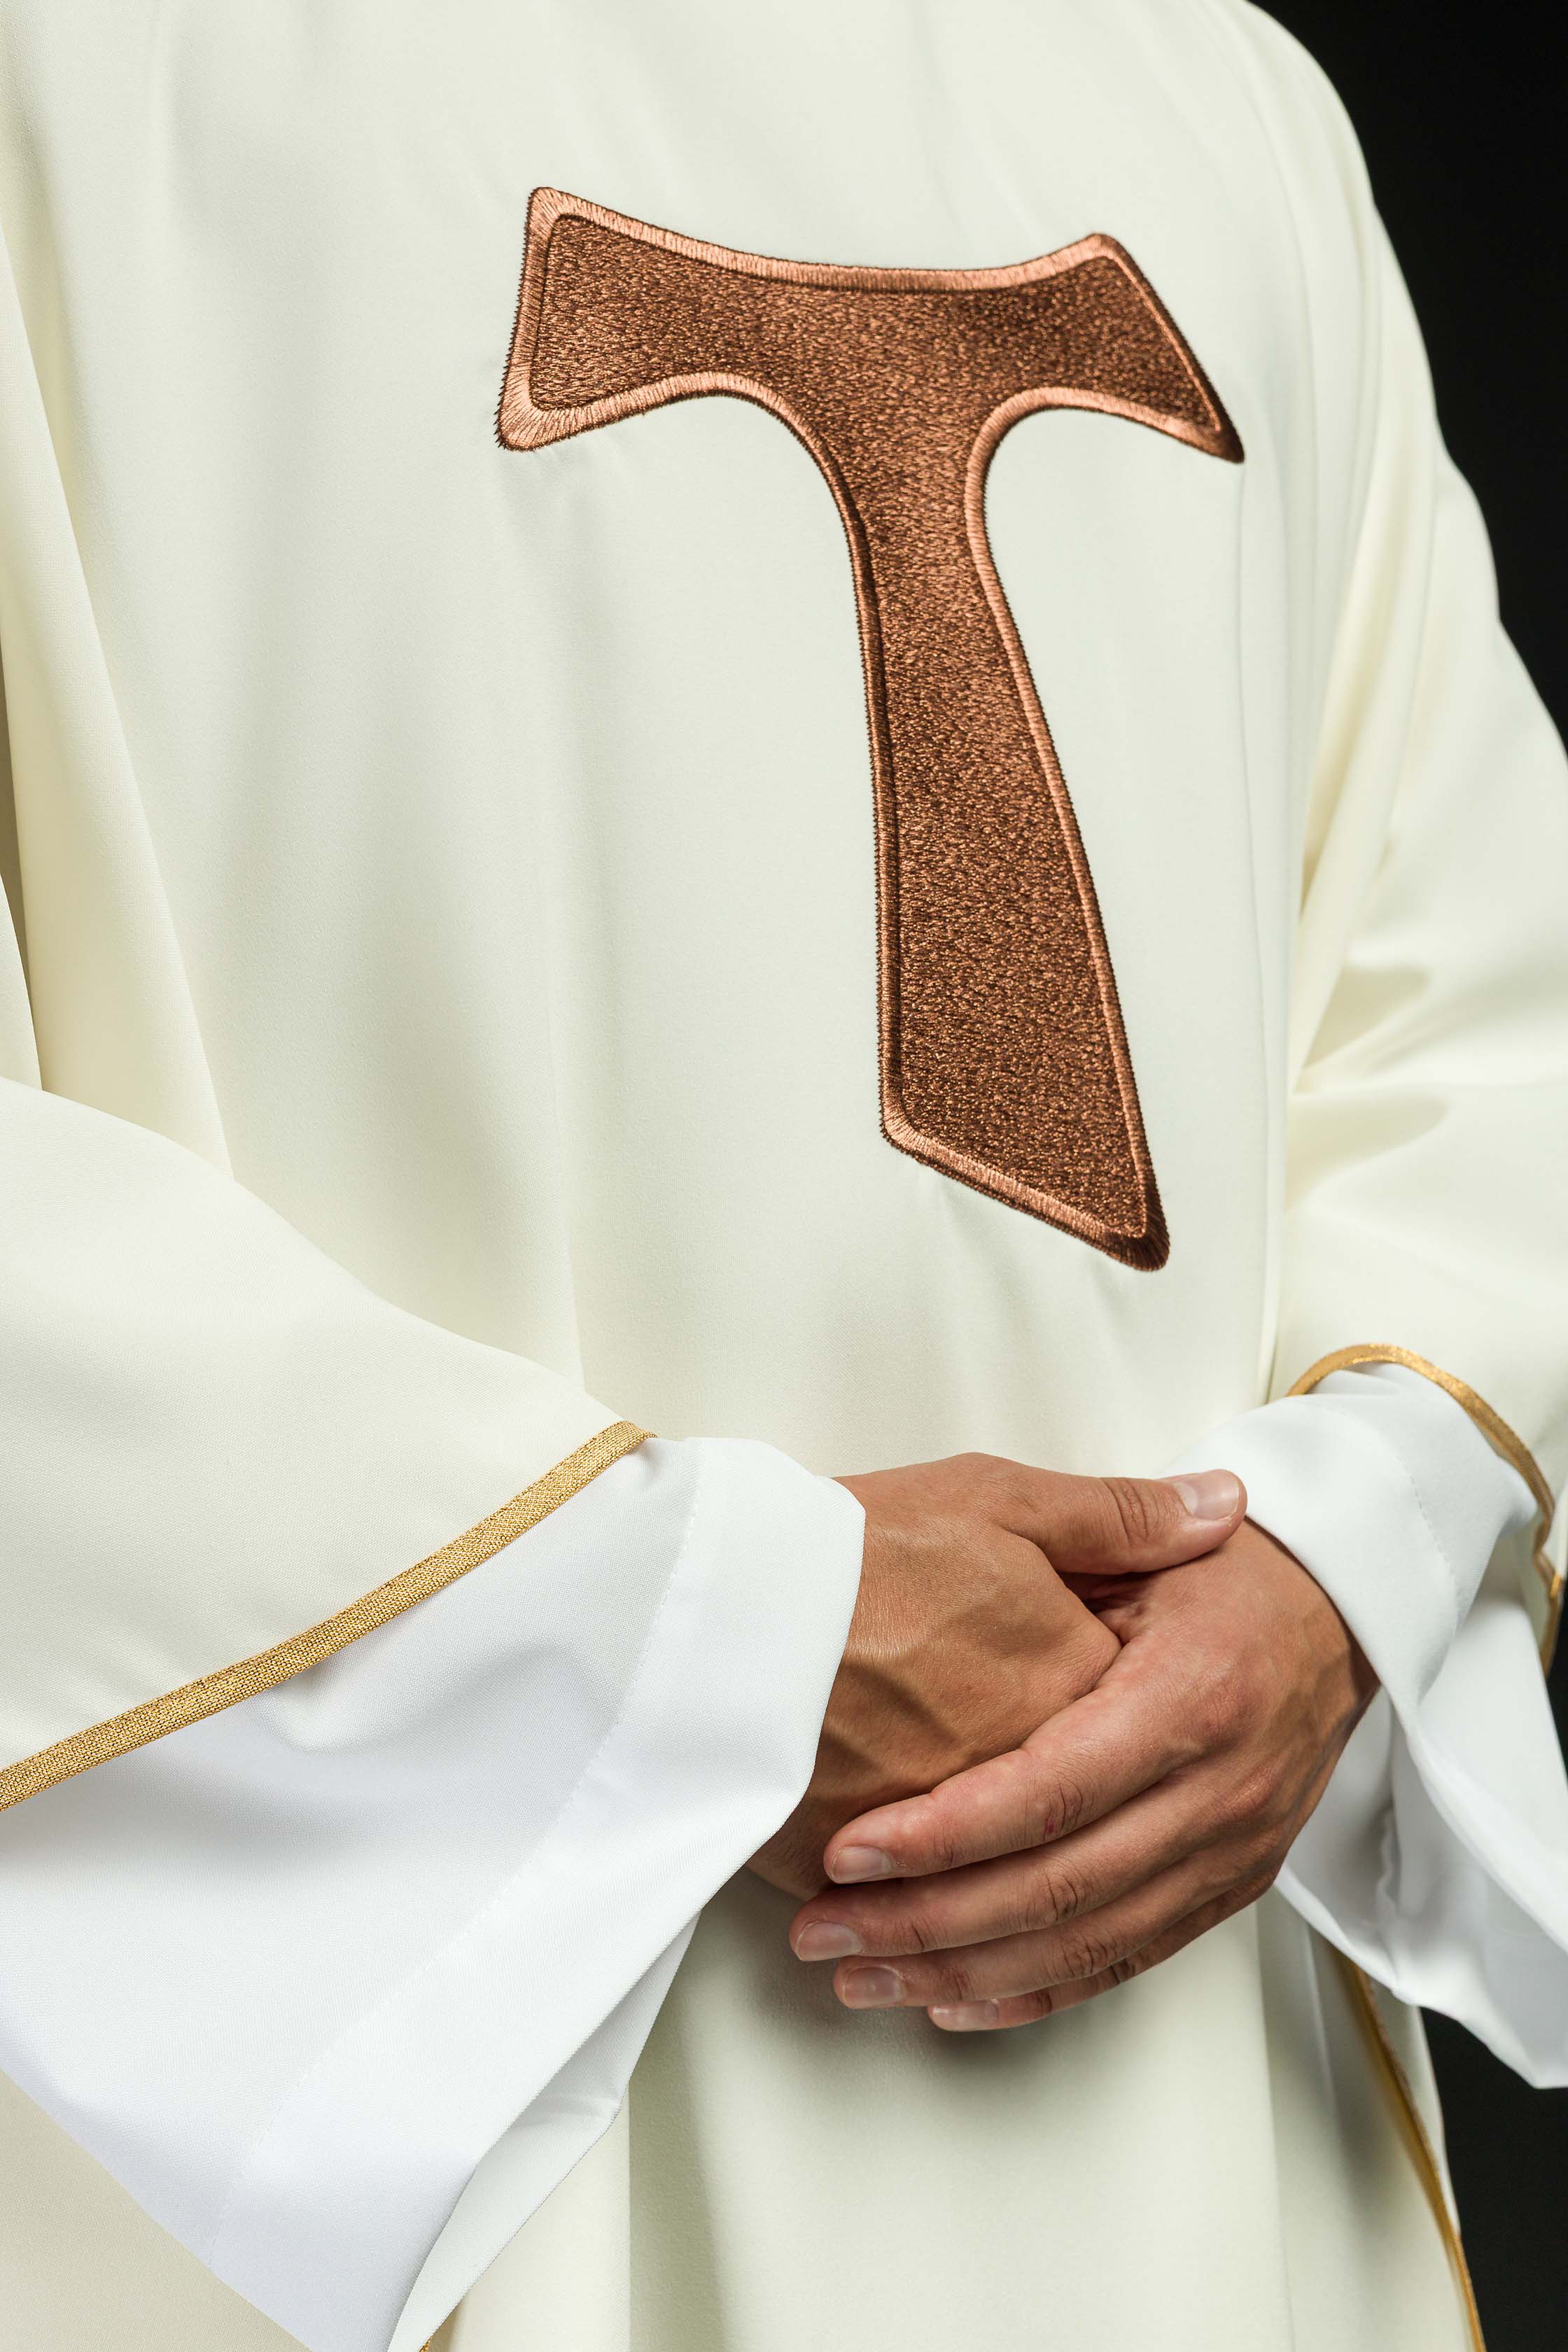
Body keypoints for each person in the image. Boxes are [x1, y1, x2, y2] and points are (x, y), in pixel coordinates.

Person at [1, 3, 1565, 2348]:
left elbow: (1476, 979)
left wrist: (1347, 1555)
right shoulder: (60, 89)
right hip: (408, 2059)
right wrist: (685, 1631)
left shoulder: (1213, 92)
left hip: (1172, 2065)